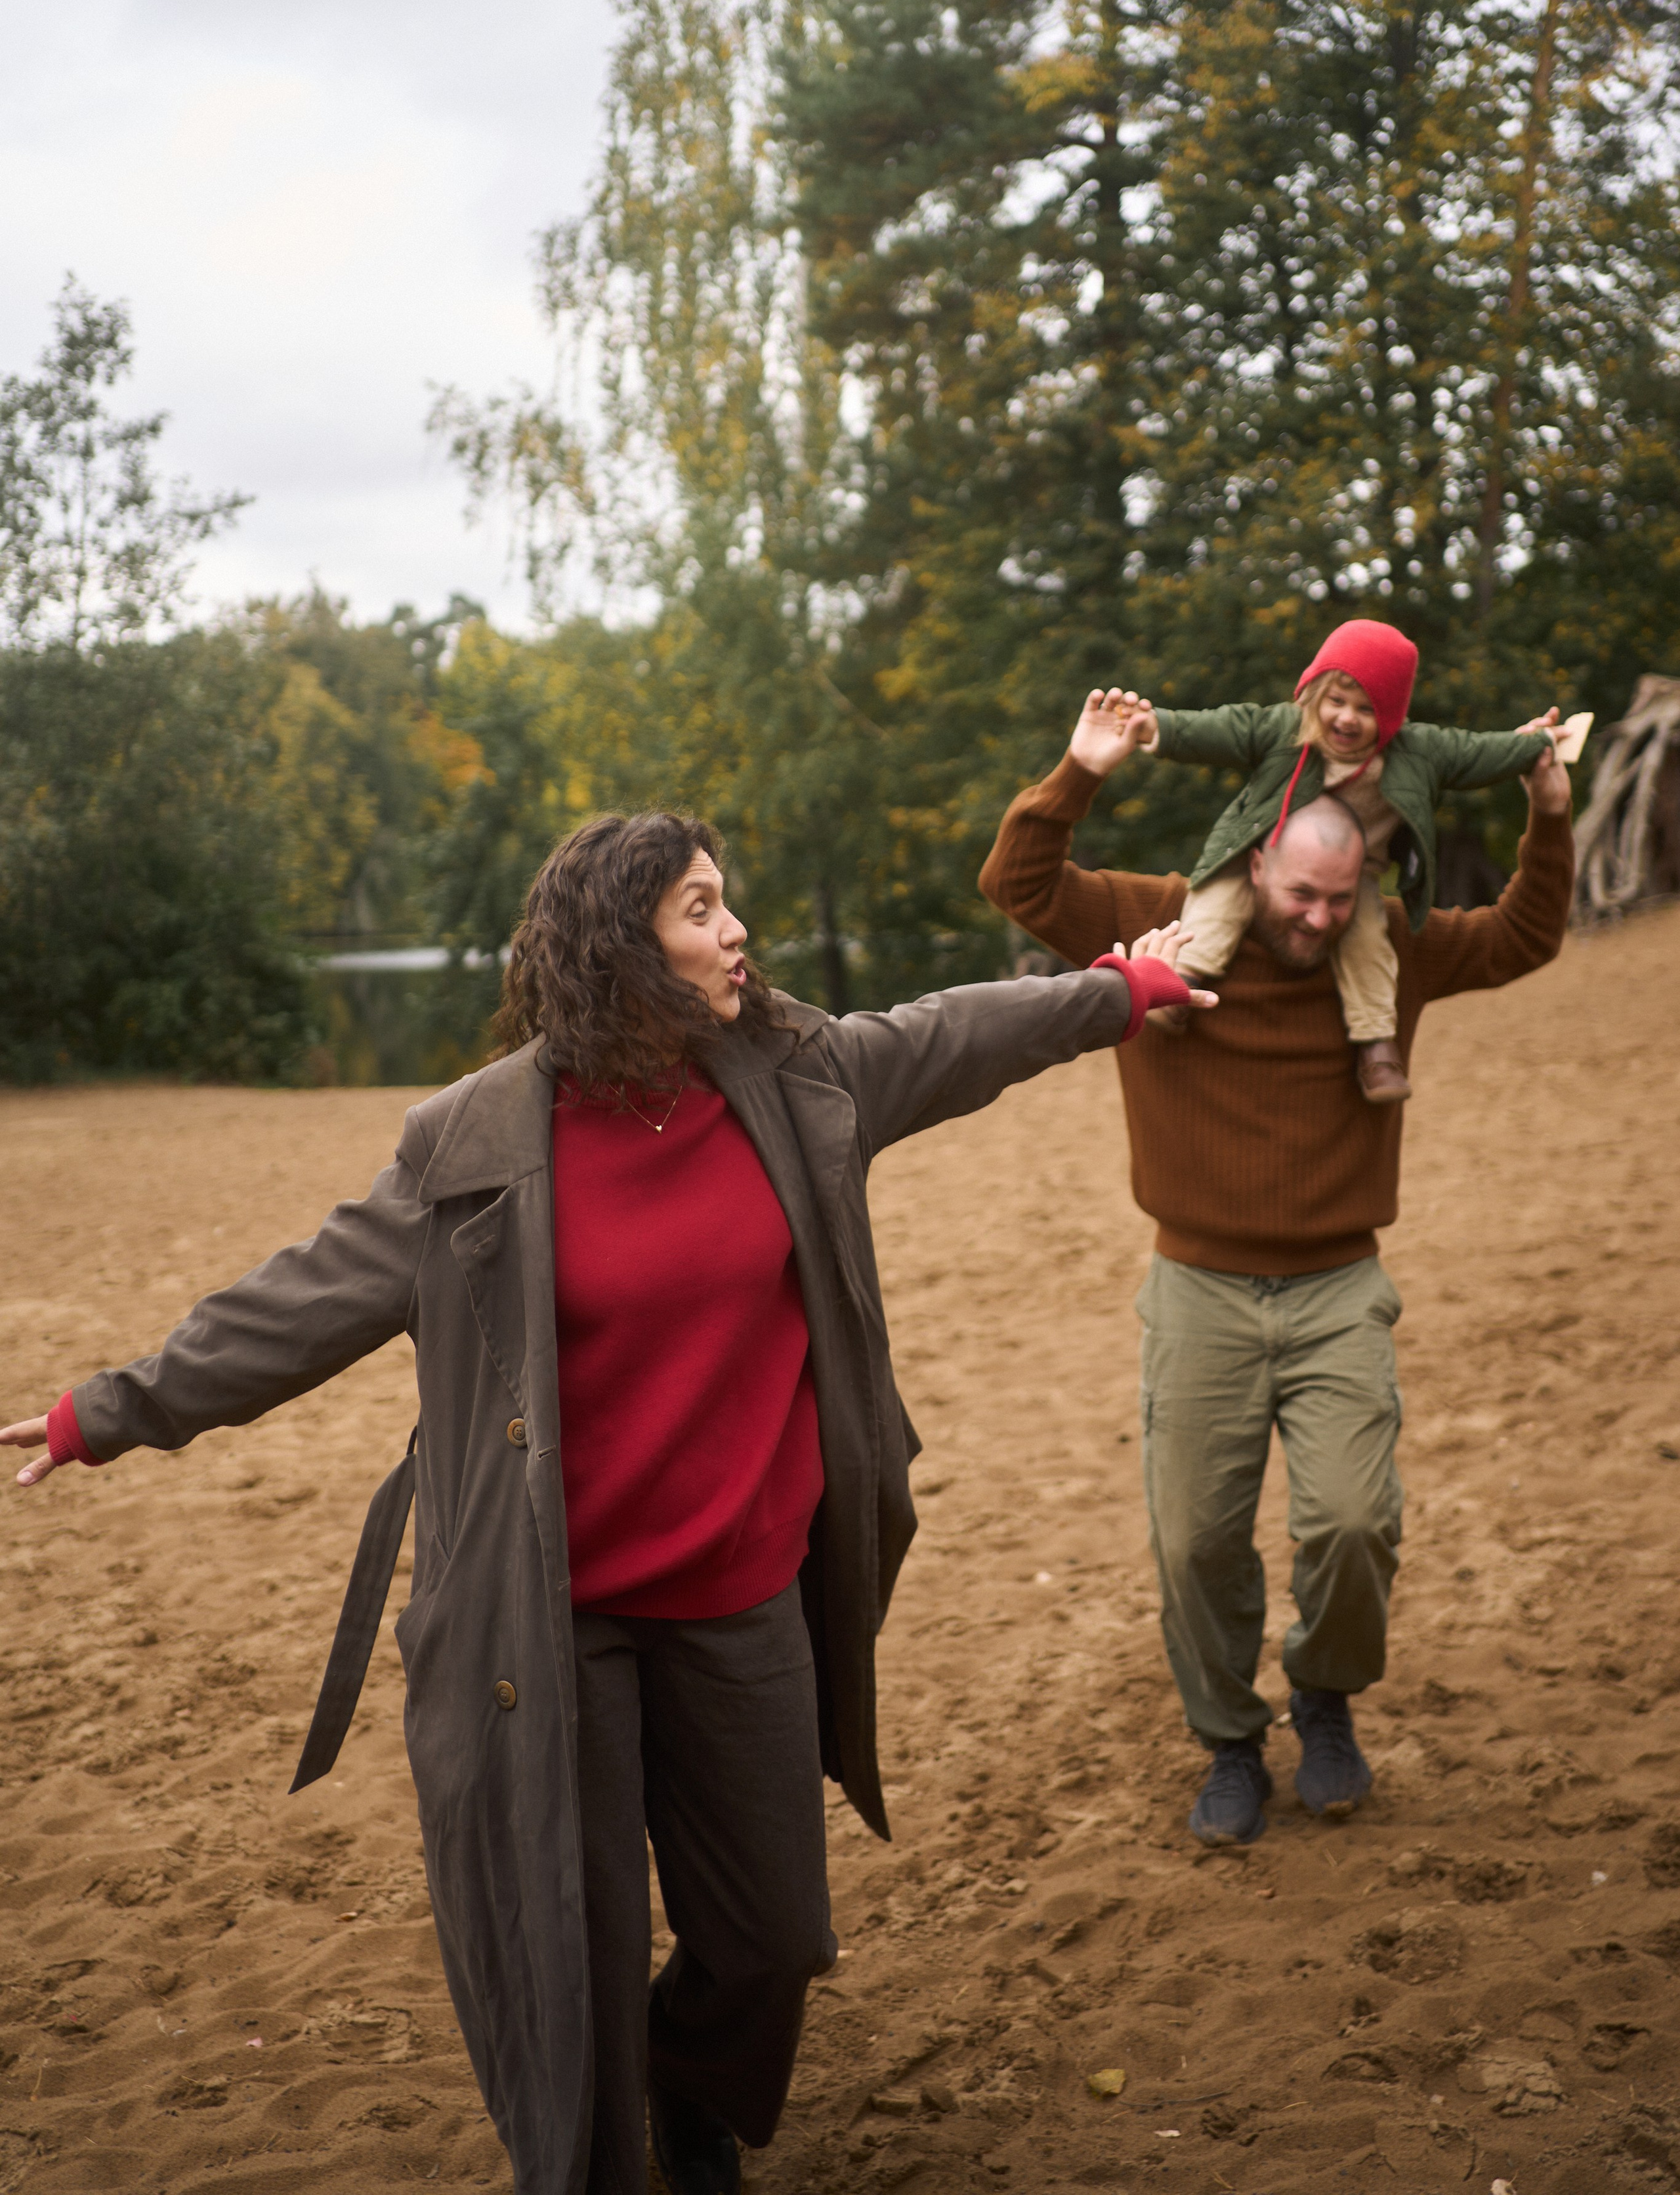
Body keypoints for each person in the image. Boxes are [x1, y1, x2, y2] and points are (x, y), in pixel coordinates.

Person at [2, 809, 1209, 2195]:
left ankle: (693, 2088)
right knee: (564, 1947)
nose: (735, 929)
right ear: (619, 947)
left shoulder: (798, 1078)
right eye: (701, 909)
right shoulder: (478, 1138)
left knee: (769, 1937)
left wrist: (1122, 989)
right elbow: (308, 1297)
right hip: (547, 1615)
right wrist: (110, 1410)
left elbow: (954, 1031)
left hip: (740, 1594)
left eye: (728, 902)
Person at [977, 698, 1574, 1847]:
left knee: (1354, 1523)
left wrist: (1547, 809)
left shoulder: (1385, 952)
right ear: (1257, 860)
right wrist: (1078, 771)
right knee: (1198, 1539)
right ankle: (1231, 1743)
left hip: (1340, 1283)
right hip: (1197, 1285)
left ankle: (1326, 1696)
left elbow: (1525, 934)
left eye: (1342, 898)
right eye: (1302, 893)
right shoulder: (1162, 921)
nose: (1319, 916)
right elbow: (1020, 883)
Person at [1104, 618, 1560, 1102]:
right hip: (1266, 852)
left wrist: (1536, 745)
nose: (1347, 719)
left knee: (1369, 943)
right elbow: (1223, 729)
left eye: (1367, 709)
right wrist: (1159, 727)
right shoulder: (1285, 730)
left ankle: (1377, 1049)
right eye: (1336, 702)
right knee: (1214, 900)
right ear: (1312, 696)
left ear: (1392, 715)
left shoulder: (1419, 752)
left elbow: (1478, 753)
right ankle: (1180, 987)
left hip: (1354, 876)